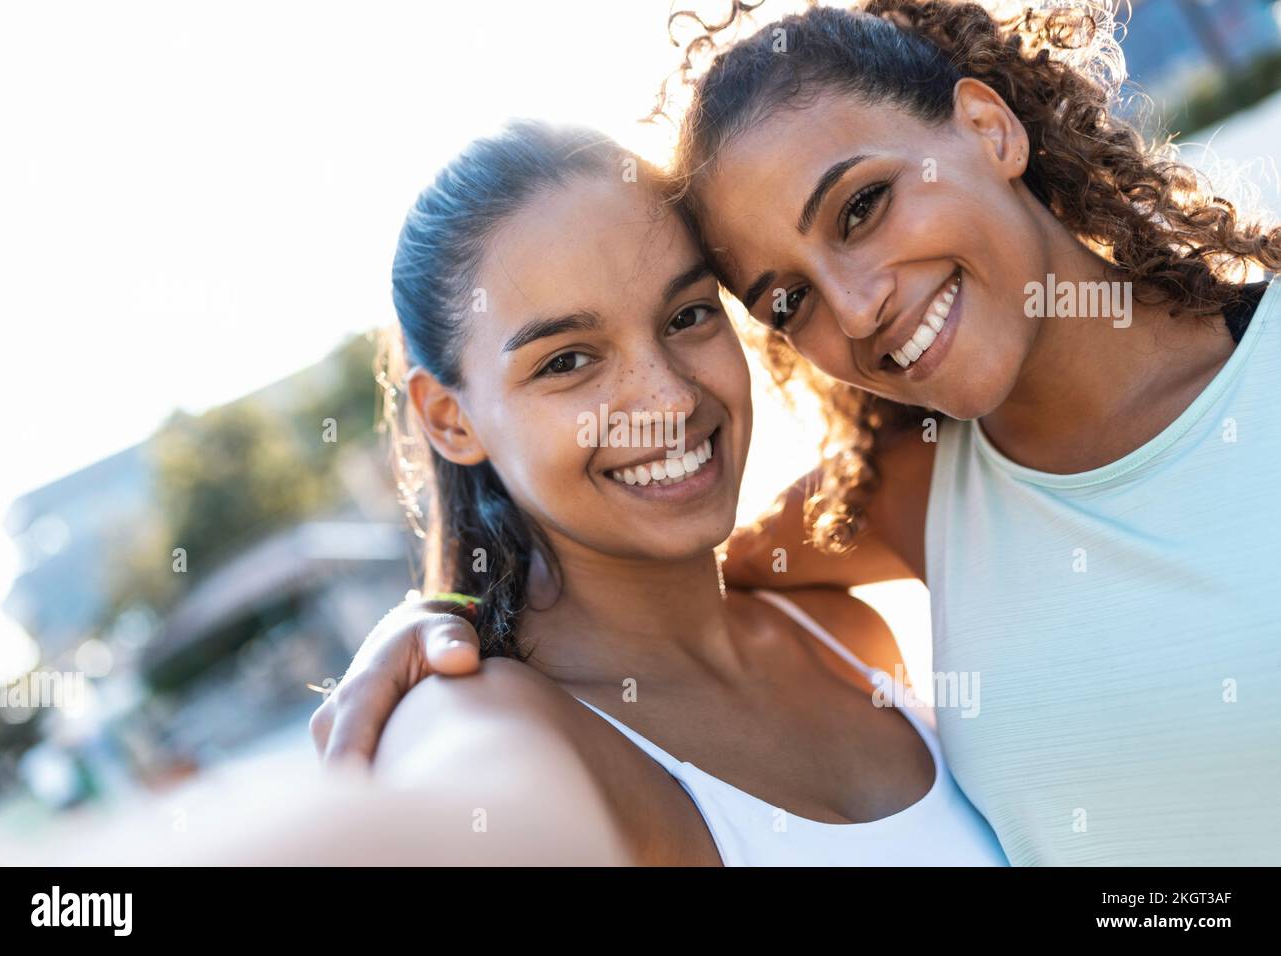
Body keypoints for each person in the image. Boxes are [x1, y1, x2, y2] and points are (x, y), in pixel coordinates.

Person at [315, 1, 1281, 865]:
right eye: (788, 299)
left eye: (863, 206)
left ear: (989, 126)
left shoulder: (850, 592)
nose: (856, 311)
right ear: (448, 416)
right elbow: (489, 777)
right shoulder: (912, 495)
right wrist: (443, 617)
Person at [321, 118, 1007, 865]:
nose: (670, 402)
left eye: (686, 316)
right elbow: (464, 801)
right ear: (451, 420)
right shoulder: (493, 717)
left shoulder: (839, 630)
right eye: (568, 361)